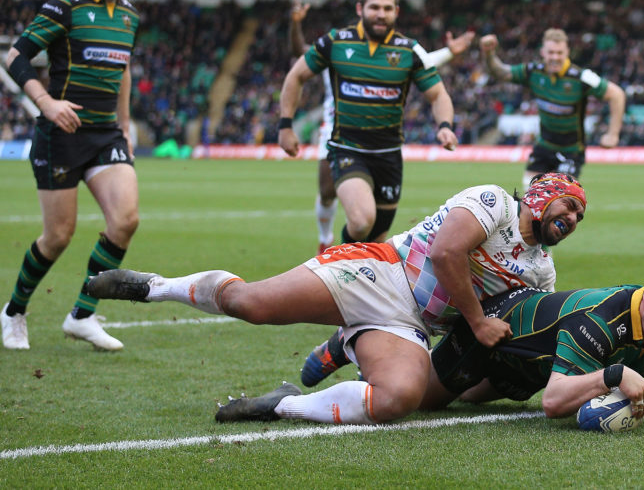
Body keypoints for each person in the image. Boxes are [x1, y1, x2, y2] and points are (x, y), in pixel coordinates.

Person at [85, 173, 587, 425]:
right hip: (380, 272)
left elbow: (512, 323)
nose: (572, 221)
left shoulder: (542, 270)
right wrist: (478, 323)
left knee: (398, 401)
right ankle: (154, 286)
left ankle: (287, 404)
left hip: (410, 324)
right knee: (251, 305)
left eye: (579, 219)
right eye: (569, 207)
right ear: (543, 194)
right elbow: (448, 252)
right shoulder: (495, 201)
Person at [2, 0, 142, 351]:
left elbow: (124, 70)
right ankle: (13, 312)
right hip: (60, 135)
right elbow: (16, 57)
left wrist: (126, 125)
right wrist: (45, 102)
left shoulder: (129, 15)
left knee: (125, 220)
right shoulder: (65, 6)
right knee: (58, 236)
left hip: (106, 135)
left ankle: (82, 315)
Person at [420, 254, 644, 425]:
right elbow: (553, 402)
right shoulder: (599, 319)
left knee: (470, 397)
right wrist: (616, 374)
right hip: (494, 337)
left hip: (530, 371)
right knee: (418, 399)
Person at [277, 0, 458, 248]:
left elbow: (438, 94)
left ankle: (346, 279)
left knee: (375, 240)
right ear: (360, 9)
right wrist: (285, 125)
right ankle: (330, 262)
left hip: (389, 156)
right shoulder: (336, 42)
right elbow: (295, 75)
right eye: (374, 7)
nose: (380, 14)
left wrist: (445, 124)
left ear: (396, 12)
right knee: (362, 221)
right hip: (347, 148)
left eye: (387, 8)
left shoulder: (409, 50)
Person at [479, 28, 626, 189]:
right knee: (531, 195)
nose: (555, 57)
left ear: (567, 52)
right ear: (543, 52)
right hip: (544, 145)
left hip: (571, 150)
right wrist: (489, 54)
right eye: (551, 52)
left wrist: (613, 134)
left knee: (559, 197)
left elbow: (617, 94)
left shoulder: (580, 77)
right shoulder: (533, 72)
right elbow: (501, 73)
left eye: (559, 53)